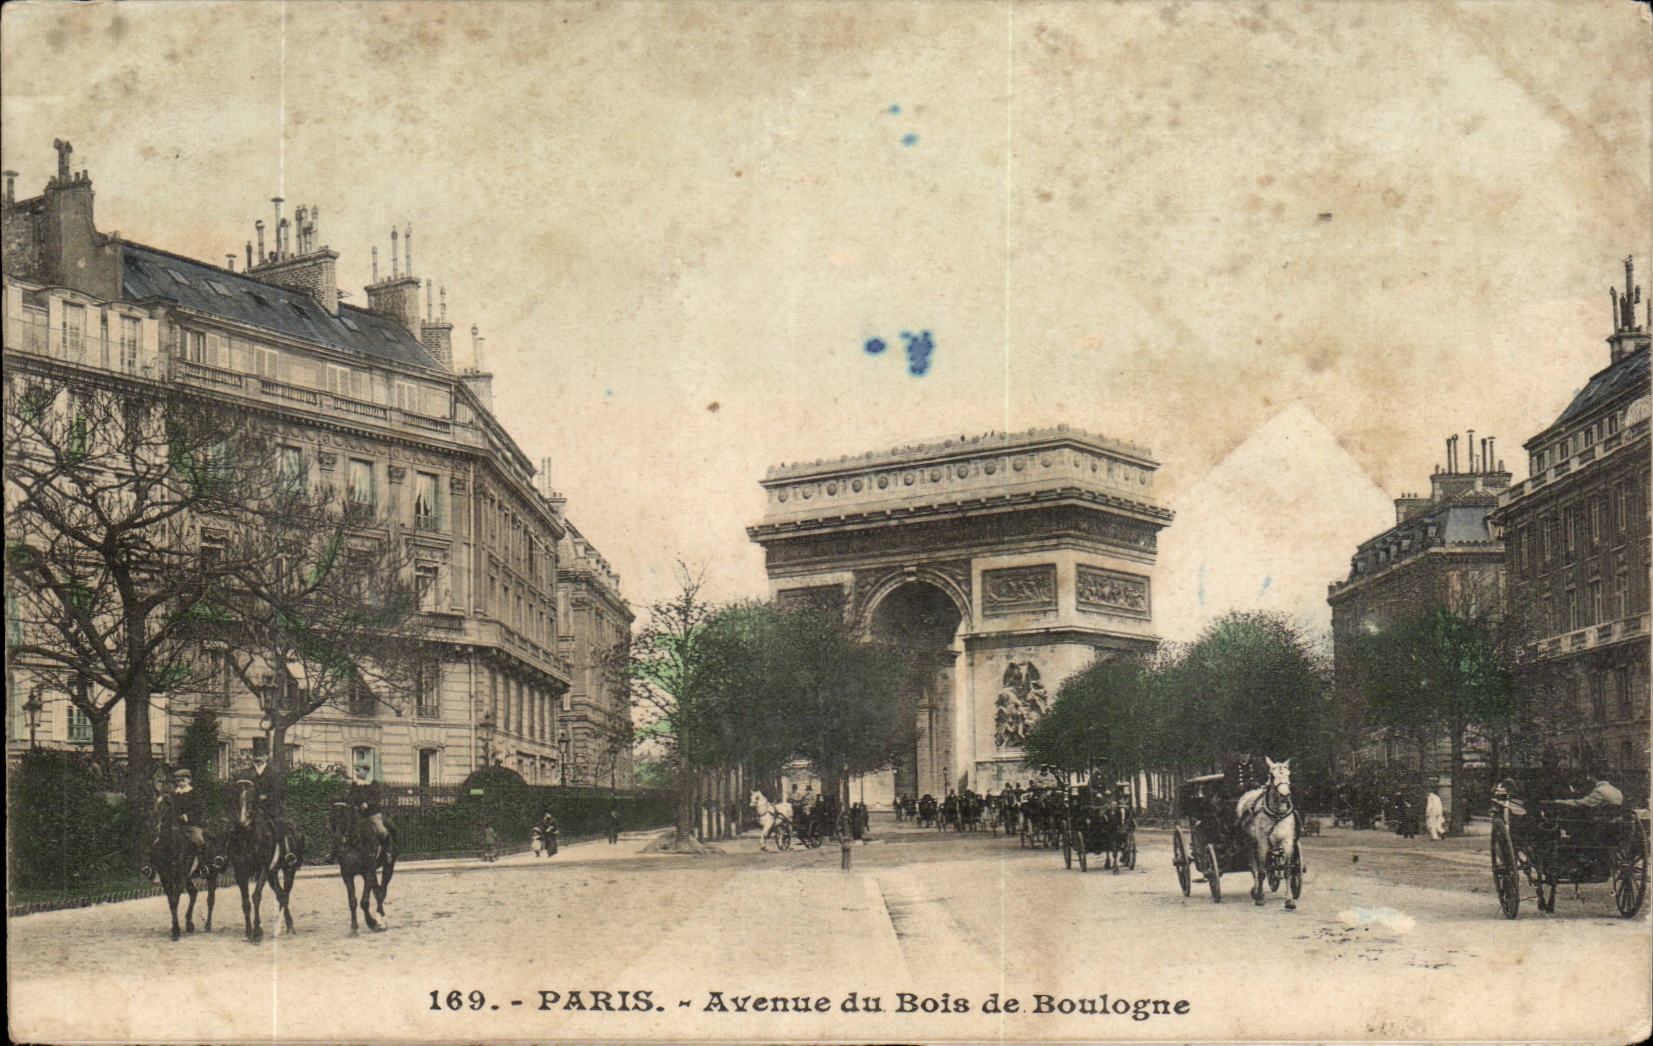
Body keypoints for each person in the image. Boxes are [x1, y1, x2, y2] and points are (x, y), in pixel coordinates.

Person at [250, 754, 302, 867]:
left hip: (271, 808)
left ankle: (288, 853)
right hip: (251, 808)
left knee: (281, 826)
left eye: (261, 755)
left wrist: (267, 797)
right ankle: (224, 856)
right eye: (255, 754)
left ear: (267, 757)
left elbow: (281, 791)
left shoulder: (274, 773)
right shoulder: (247, 772)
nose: (257, 758)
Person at [170, 768, 226, 873]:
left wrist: (187, 816)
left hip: (192, 825)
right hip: (177, 825)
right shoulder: (174, 794)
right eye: (178, 781)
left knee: (199, 840)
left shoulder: (194, 793)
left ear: (189, 780)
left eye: (183, 780)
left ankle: (204, 865)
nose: (181, 783)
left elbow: (199, 809)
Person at [345, 759, 392, 851]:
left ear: (366, 771)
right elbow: (350, 797)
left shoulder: (374, 784)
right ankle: (335, 854)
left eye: (358, 770)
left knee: (381, 831)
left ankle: (387, 852)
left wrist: (367, 804)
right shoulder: (355, 784)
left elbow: (376, 798)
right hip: (356, 814)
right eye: (355, 770)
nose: (356, 772)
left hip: (372, 814)